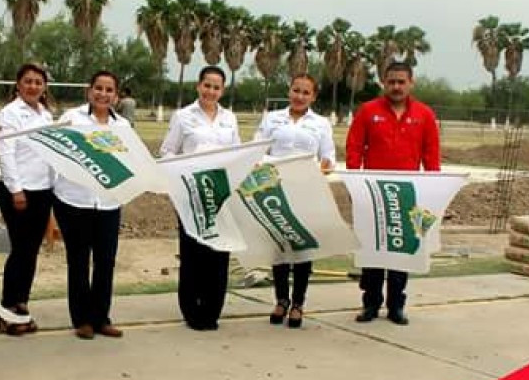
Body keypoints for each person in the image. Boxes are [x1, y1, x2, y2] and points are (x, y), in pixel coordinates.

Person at [346, 61, 440, 325]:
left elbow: (431, 156)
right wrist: (355, 186)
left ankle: (396, 305)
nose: (396, 86)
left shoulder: (424, 114)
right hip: (373, 195)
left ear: (411, 83)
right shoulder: (367, 111)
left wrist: (432, 191)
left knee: (401, 250)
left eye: (401, 81)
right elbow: (354, 150)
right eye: (391, 82)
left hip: (408, 196)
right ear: (383, 83)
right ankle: (370, 304)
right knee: (373, 250)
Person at [159, 66, 241, 331]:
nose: (211, 91)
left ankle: (212, 310)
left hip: (220, 195)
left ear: (222, 90)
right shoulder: (183, 116)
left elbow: (238, 153)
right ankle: (192, 311)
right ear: (199, 86)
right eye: (207, 85)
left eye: (216, 87)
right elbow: (167, 152)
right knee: (194, 253)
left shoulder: (230, 118)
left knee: (218, 253)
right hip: (191, 194)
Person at [252, 74, 335, 329]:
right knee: (279, 247)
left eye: (305, 92)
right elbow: (257, 149)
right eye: (296, 90)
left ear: (313, 96)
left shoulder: (320, 124)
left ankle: (298, 303)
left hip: (305, 191)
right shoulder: (272, 119)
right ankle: (281, 300)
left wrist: (325, 166)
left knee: (302, 248)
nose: (299, 96)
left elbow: (328, 156)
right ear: (289, 91)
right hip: (275, 191)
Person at [53, 70, 129, 340]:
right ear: (89, 91)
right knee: (78, 261)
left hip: (108, 204)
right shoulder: (71, 119)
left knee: (105, 262)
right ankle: (82, 319)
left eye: (109, 90)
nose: (103, 94)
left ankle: (101, 317)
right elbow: (56, 154)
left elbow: (129, 162)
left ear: (116, 96)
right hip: (74, 201)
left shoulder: (122, 127)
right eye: (98, 88)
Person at [0, 63, 55, 335]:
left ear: (44, 87)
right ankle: (7, 309)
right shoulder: (10, 114)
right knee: (20, 251)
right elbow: (5, 153)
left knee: (30, 252)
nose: (33, 86)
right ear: (18, 84)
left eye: (38, 82)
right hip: (18, 192)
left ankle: (21, 304)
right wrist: (16, 190)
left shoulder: (46, 115)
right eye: (28, 81)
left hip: (43, 190)